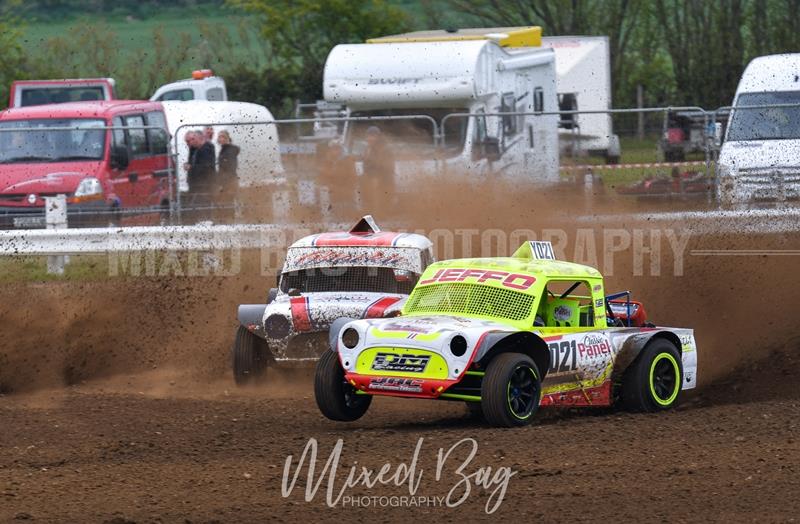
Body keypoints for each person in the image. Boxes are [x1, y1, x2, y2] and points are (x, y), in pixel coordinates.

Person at [361, 126, 396, 209]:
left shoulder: (385, 149)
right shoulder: (367, 149)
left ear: (378, 137)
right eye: (368, 136)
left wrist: (375, 175)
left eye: (372, 136)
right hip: (370, 177)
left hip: (384, 178)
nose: (369, 138)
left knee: (377, 189)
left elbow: (388, 167)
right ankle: (370, 209)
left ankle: (381, 211)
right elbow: (365, 164)